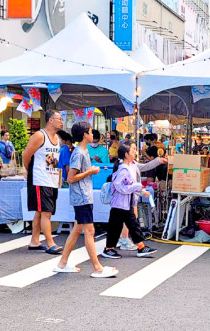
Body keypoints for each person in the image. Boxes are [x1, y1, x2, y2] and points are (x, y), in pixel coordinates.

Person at [54, 121, 118, 278]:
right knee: (89, 231)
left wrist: (89, 171)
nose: (92, 135)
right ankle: (97, 268)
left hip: (83, 195)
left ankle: (62, 263)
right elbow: (70, 178)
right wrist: (89, 171)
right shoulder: (79, 152)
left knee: (77, 230)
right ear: (84, 134)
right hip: (82, 196)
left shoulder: (81, 151)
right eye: (90, 132)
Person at [100, 141, 158, 260]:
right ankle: (109, 249)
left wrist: (138, 188)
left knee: (132, 225)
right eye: (132, 150)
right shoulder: (123, 169)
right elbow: (119, 186)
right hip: (120, 203)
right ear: (126, 154)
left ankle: (141, 247)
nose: (135, 152)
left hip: (125, 203)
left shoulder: (127, 167)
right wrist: (137, 187)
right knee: (116, 227)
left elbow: (127, 186)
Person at [23, 110, 64, 254]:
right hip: (40, 179)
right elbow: (26, 155)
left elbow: (53, 160)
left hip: (51, 178)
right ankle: (50, 243)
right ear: (50, 120)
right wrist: (31, 170)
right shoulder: (40, 135)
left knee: (41, 212)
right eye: (59, 119)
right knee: (46, 212)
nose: (62, 121)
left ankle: (35, 241)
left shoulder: (57, 138)